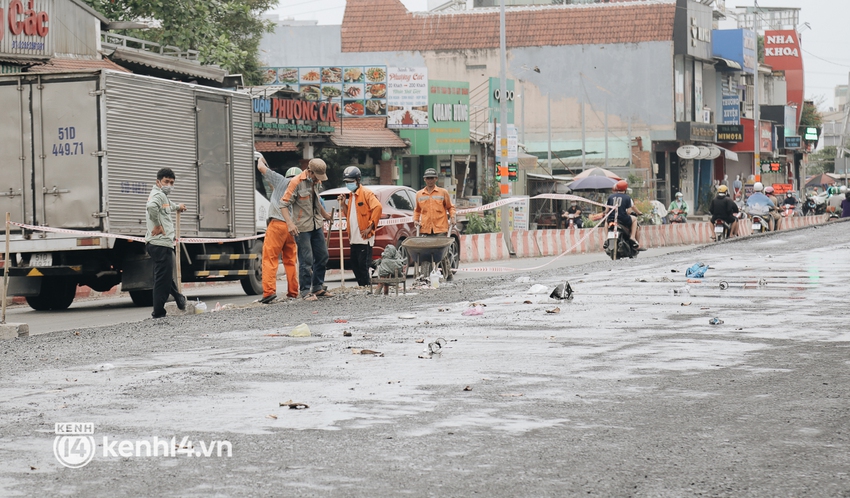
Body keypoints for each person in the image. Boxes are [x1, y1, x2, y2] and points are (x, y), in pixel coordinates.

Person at [281, 158, 334, 300]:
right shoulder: (296, 182)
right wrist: (290, 224)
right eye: (316, 176)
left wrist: (325, 215)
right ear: (310, 172)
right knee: (306, 259)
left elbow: (316, 202)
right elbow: (283, 204)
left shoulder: (316, 182)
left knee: (323, 256)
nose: (318, 179)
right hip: (302, 227)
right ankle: (305, 291)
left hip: (316, 224)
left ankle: (317, 287)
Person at [255, 152, 300, 304]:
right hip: (292, 228)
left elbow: (261, 167)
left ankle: (269, 292)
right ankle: (293, 292)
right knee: (290, 260)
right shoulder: (300, 188)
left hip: (277, 225)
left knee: (270, 258)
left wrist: (261, 158)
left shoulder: (280, 180)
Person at [145, 168, 187, 319]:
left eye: (171, 182)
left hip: (160, 244)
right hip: (160, 244)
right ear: (158, 182)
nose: (169, 185)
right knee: (162, 280)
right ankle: (158, 313)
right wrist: (157, 225)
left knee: (166, 276)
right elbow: (151, 208)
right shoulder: (157, 195)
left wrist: (178, 207)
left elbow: (168, 205)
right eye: (166, 182)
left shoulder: (162, 196)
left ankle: (178, 298)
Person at [337, 166, 382, 288]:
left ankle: (367, 287)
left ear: (358, 180)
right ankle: (362, 286)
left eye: (351, 181)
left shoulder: (366, 193)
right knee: (355, 264)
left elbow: (377, 208)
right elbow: (349, 215)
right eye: (346, 182)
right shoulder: (352, 196)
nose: (348, 184)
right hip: (353, 238)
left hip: (364, 237)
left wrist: (370, 226)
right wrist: (343, 204)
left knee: (363, 265)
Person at [413, 168, 457, 281]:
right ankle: (425, 277)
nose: (430, 180)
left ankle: (448, 275)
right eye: (428, 178)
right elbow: (417, 210)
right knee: (425, 254)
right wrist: (415, 220)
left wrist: (452, 218)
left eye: (432, 178)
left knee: (441, 253)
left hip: (440, 228)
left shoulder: (443, 193)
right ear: (424, 179)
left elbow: (450, 207)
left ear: (436, 179)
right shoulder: (419, 194)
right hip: (426, 229)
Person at [606, 179, 643, 249]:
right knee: (635, 219)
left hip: (612, 218)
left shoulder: (610, 197)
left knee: (606, 221)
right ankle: (632, 237)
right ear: (625, 189)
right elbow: (629, 211)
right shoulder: (627, 197)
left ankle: (606, 238)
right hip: (623, 219)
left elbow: (607, 210)